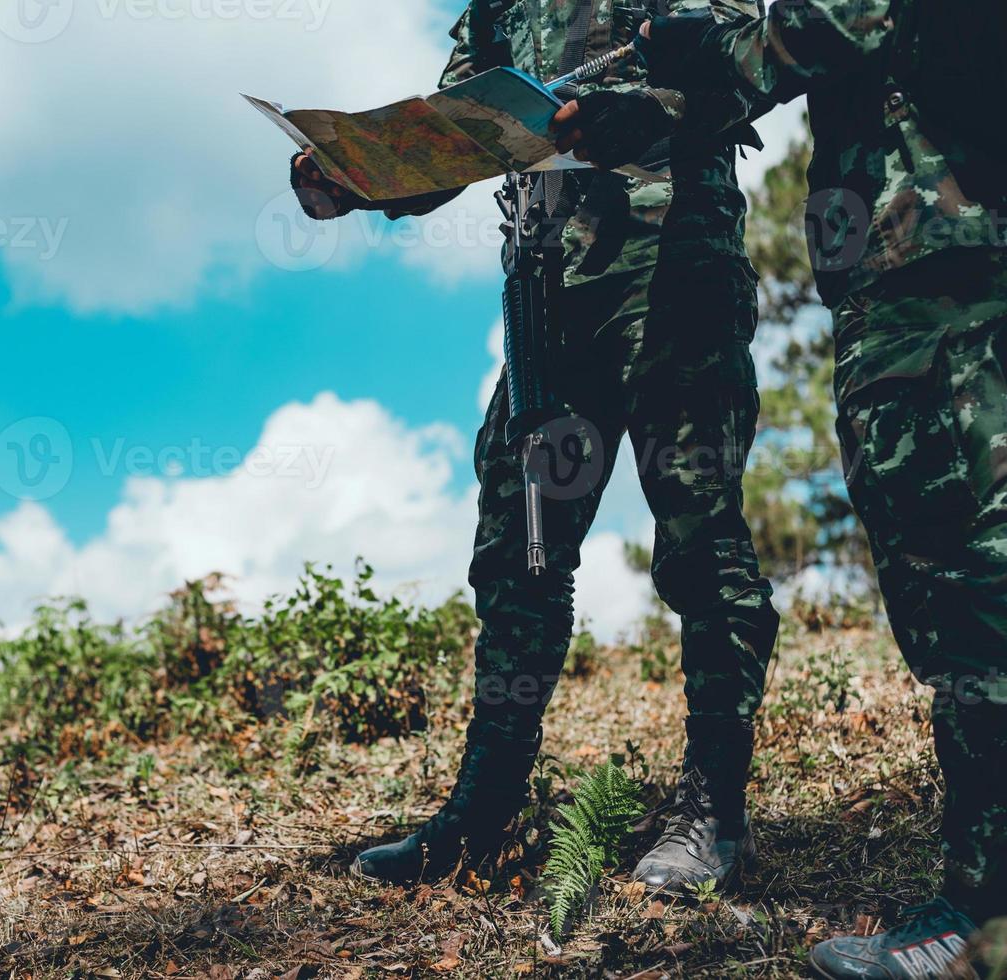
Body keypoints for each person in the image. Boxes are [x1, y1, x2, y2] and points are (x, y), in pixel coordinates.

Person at [553, 2, 1007, 975]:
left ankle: (1005, 906)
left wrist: (697, 51)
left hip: (928, 241)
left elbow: (823, 28)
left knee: (957, 562)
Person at [291, 0, 780, 895]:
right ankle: (483, 813)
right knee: (516, 550)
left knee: (700, 541)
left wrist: (659, 113)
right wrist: (360, 174)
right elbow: (456, 132)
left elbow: (757, 58)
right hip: (546, 280)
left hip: (673, 257)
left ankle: (712, 815)